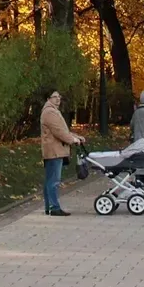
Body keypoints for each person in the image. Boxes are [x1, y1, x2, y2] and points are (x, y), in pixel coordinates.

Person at [39, 89, 85, 217]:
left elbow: (63, 130)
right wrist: (72, 140)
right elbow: (58, 131)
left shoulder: (52, 111)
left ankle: (49, 207)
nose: (58, 99)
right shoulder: (49, 112)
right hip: (54, 151)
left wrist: (77, 136)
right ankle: (54, 207)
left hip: (55, 150)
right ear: (49, 98)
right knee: (53, 180)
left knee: (50, 180)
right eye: (55, 97)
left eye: (59, 96)